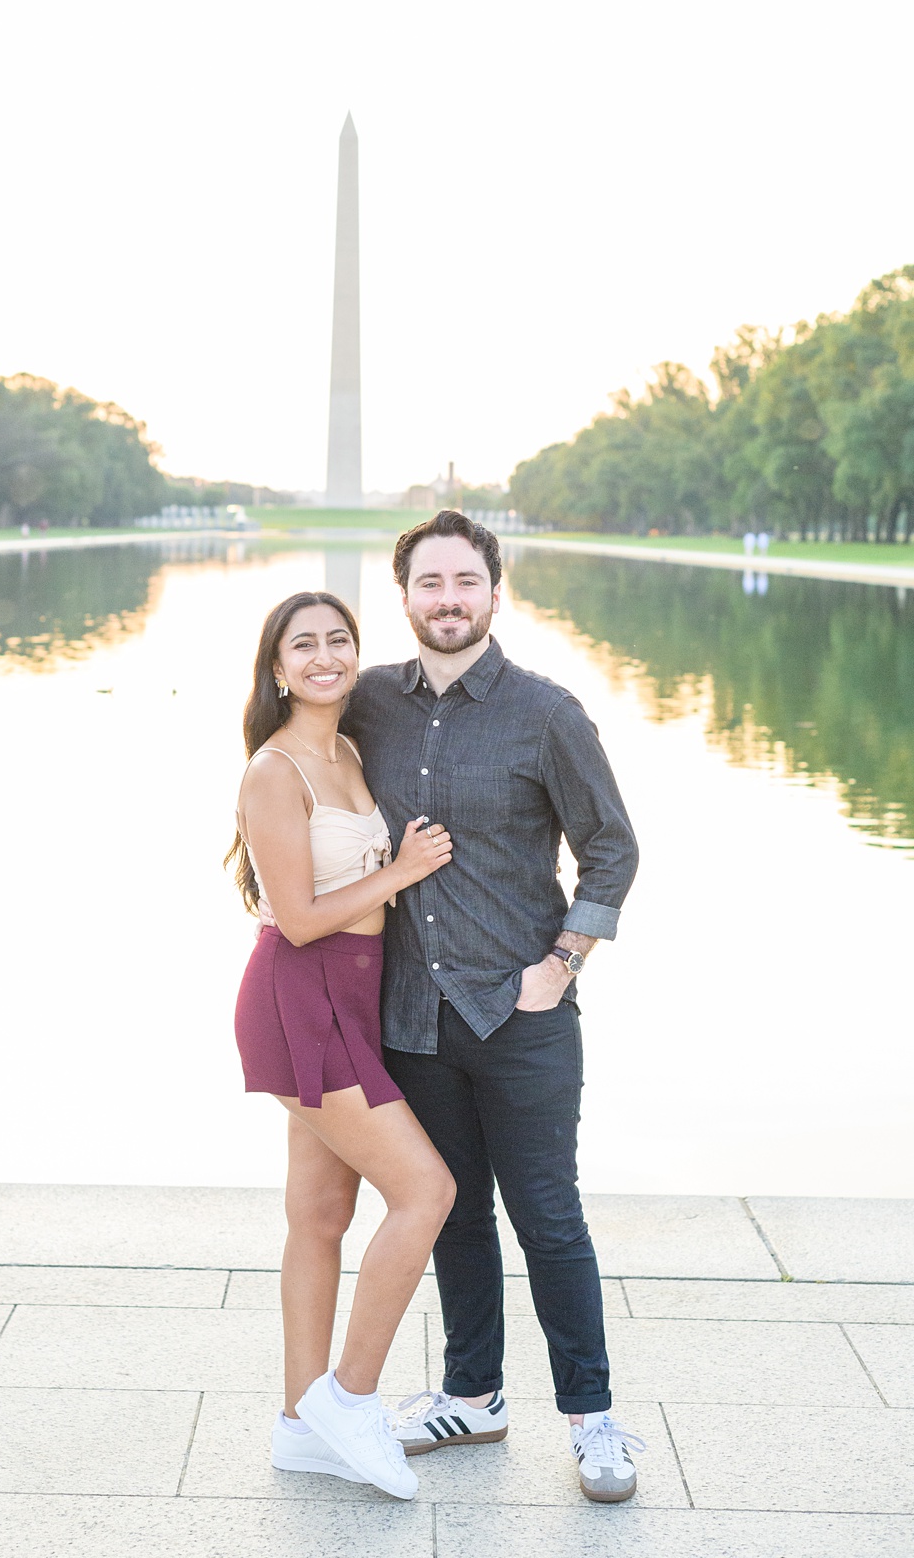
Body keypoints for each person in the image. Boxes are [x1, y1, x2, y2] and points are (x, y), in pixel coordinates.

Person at [344, 510, 645, 1504]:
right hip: (413, 1018)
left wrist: (563, 960)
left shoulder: (546, 711)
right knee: (453, 1214)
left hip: (521, 1016)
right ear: (404, 596)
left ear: (494, 591)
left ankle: (593, 1416)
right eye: (429, 582)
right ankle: (472, 1393)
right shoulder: (369, 704)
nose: (447, 599)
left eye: (464, 581)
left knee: (548, 1217)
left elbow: (612, 846)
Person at [231, 589, 459, 1498]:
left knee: (321, 1217)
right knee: (426, 1189)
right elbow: (293, 919)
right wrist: (401, 871)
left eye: (339, 641)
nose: (324, 657)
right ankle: (350, 1400)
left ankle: (299, 1425)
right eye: (304, 645)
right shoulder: (274, 771)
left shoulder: (352, 749)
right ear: (276, 666)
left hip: (356, 998)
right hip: (301, 997)